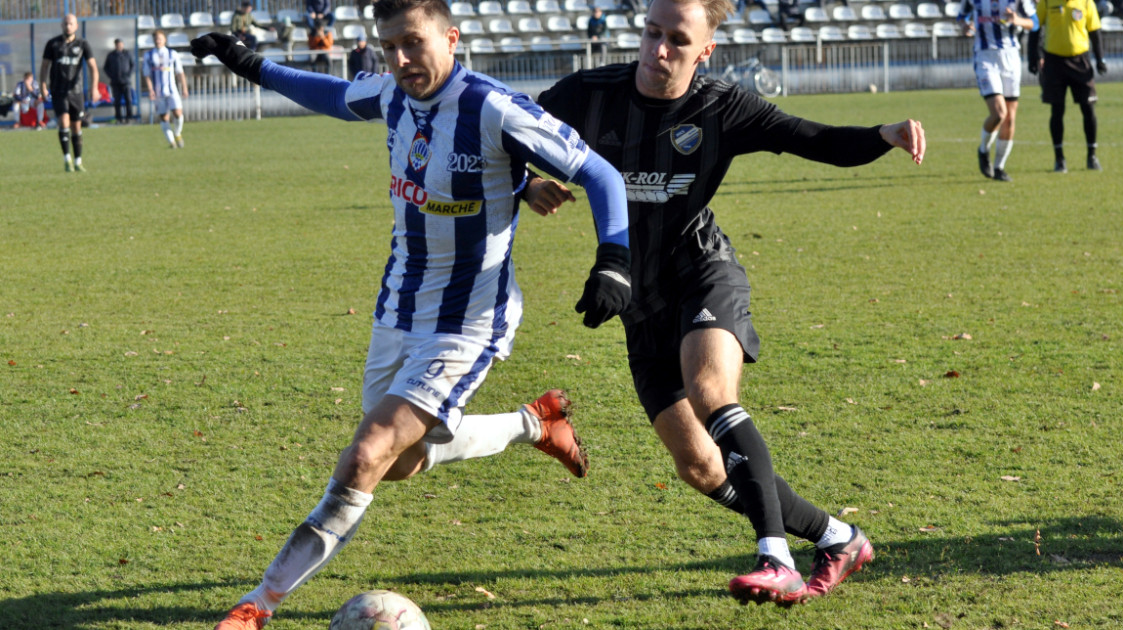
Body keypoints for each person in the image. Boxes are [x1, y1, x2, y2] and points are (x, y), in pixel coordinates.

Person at [189, 0, 631, 626]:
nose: (400, 60)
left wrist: (614, 260)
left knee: (365, 454)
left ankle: (258, 605)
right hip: (398, 308)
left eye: (414, 43)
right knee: (400, 463)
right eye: (389, 46)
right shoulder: (393, 94)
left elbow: (603, 176)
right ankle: (536, 423)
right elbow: (330, 92)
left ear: (451, 38)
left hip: (468, 323)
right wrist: (246, 61)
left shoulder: (493, 107)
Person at [520, 0, 924, 607]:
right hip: (639, 299)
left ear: (705, 49)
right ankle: (838, 538)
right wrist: (525, 182)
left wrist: (881, 137)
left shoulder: (721, 105)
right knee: (703, 468)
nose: (658, 49)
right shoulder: (589, 93)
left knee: (712, 393)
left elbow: (809, 138)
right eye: (651, 32)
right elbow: (496, 130)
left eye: (677, 40)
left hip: (703, 270)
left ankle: (776, 558)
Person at [958, 0, 1038, 182]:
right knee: (999, 113)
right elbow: (961, 16)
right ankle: (983, 150)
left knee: (1010, 116)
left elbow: (1035, 22)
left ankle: (999, 167)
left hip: (1010, 58)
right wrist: (965, 26)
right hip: (985, 57)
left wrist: (1017, 19)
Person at [1029, 0, 1106, 172]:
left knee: (1088, 109)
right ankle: (1059, 159)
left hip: (1080, 61)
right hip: (1054, 62)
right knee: (1057, 111)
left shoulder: (1086, 2)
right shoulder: (1047, 2)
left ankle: (1092, 156)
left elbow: (1095, 31)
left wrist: (1101, 59)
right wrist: (1033, 56)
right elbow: (1035, 27)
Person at [40, 13, 99, 173]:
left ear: (76, 26)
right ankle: (67, 159)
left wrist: (94, 88)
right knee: (64, 121)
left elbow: (93, 67)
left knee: (76, 126)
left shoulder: (83, 44)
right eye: (65, 23)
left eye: (71, 23)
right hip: (59, 90)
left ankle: (78, 161)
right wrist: (43, 86)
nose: (68, 26)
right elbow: (44, 66)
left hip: (77, 91)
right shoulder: (53, 44)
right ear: (62, 25)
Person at [143, 30, 189, 148]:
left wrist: (184, 87)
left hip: (172, 90)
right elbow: (147, 75)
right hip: (158, 92)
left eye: (160, 38)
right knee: (164, 117)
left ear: (165, 40)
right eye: (156, 39)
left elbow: (180, 72)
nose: (158, 41)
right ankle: (172, 142)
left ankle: (177, 133)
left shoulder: (172, 53)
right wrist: (150, 90)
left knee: (178, 113)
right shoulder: (148, 55)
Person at [104, 38, 136, 124]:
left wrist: (128, 74)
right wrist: (112, 76)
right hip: (115, 82)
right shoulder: (111, 55)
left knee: (128, 100)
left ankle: (129, 118)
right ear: (115, 45)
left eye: (120, 44)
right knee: (117, 101)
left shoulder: (127, 54)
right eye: (117, 44)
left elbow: (133, 65)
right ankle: (119, 118)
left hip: (126, 82)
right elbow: (106, 67)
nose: (119, 46)